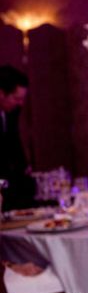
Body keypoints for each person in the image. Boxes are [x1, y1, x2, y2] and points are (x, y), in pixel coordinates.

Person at [0, 65, 35, 211]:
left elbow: (14, 140)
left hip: (10, 179)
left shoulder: (12, 112)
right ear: (1, 93)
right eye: (16, 98)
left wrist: (24, 166)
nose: (21, 103)